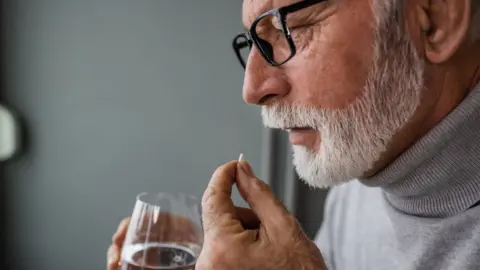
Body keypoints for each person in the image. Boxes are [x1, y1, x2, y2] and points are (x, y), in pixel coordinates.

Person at [107, 0, 480, 269]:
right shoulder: (362, 174)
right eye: (255, 43)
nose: (252, 89)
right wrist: (219, 252)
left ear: (435, 17)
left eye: (291, 29)